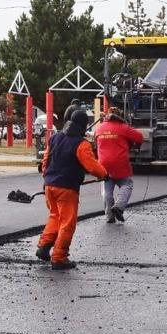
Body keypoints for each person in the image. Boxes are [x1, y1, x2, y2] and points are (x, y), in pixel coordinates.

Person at [36, 109, 108, 270]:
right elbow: (92, 166)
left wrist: (46, 178)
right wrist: (104, 174)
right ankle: (59, 258)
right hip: (67, 188)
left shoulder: (55, 138)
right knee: (67, 223)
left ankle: (44, 246)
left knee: (55, 216)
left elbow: (46, 160)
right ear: (84, 125)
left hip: (50, 185)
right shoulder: (81, 144)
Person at [94, 107, 145, 223]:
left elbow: (95, 144)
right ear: (120, 116)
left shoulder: (99, 128)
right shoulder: (123, 127)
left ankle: (109, 216)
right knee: (127, 184)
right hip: (120, 163)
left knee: (107, 190)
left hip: (103, 164)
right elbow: (139, 137)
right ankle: (119, 206)